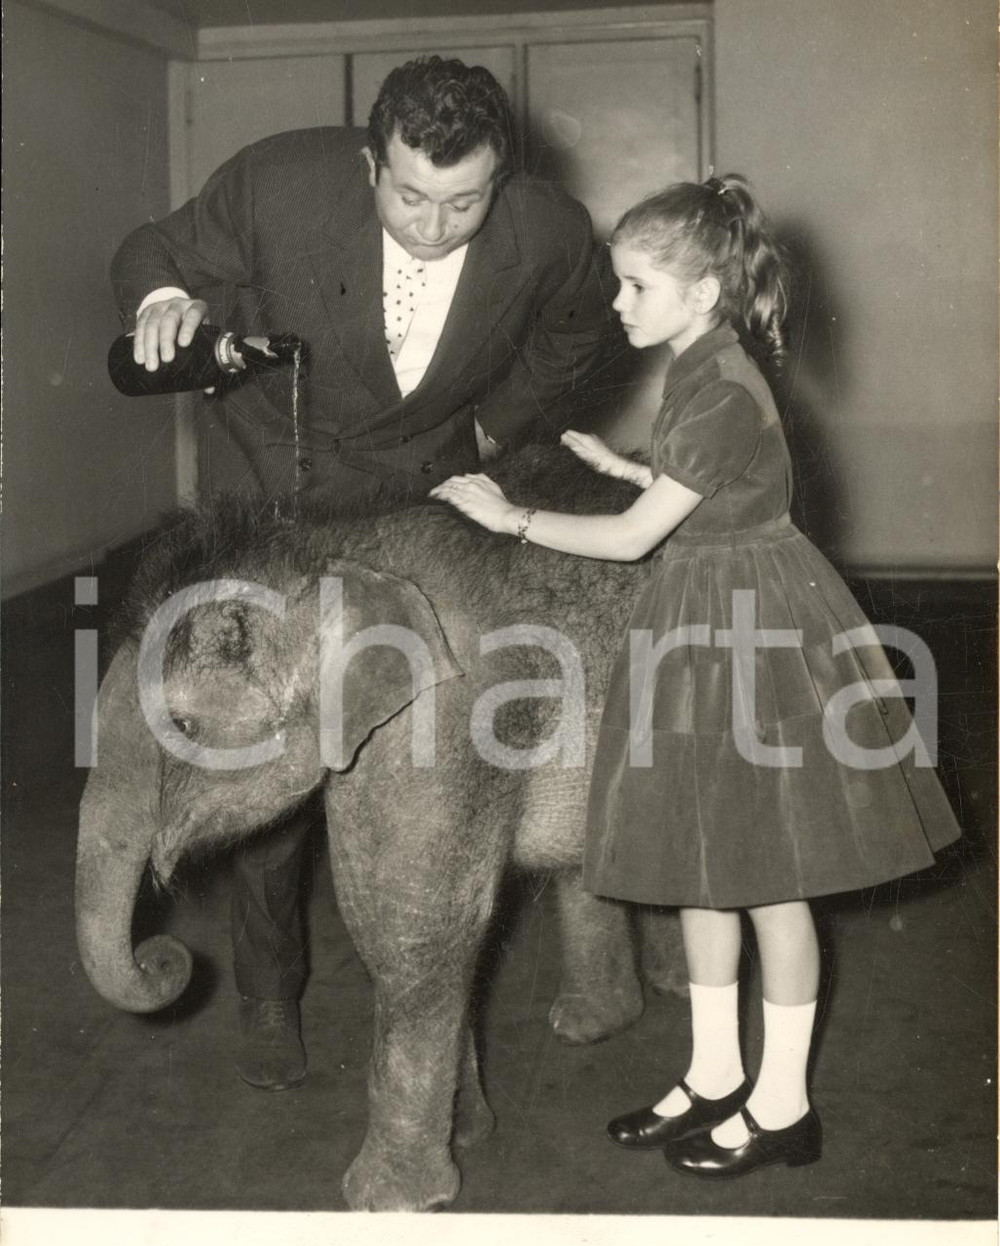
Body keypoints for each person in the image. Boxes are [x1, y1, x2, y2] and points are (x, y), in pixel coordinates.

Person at [432, 172, 960, 1178]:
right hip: (704, 607)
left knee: (767, 883)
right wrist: (632, 466)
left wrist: (513, 518)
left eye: (636, 287)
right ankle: (715, 1073)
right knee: (704, 871)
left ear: (704, 293)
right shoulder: (700, 367)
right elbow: (713, 488)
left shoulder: (716, 384)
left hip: (747, 628)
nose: (617, 304)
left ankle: (784, 1101)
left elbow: (636, 539)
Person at [111, 56, 614, 1090]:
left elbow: (581, 318)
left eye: (463, 201)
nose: (433, 226)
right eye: (409, 195)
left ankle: (439, 1032)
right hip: (273, 491)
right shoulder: (276, 183)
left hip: (420, 502)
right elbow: (153, 249)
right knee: (259, 749)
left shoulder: (546, 230)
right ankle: (267, 996)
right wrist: (163, 299)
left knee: (423, 763)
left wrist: (495, 423)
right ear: (365, 164)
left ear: (502, 179)